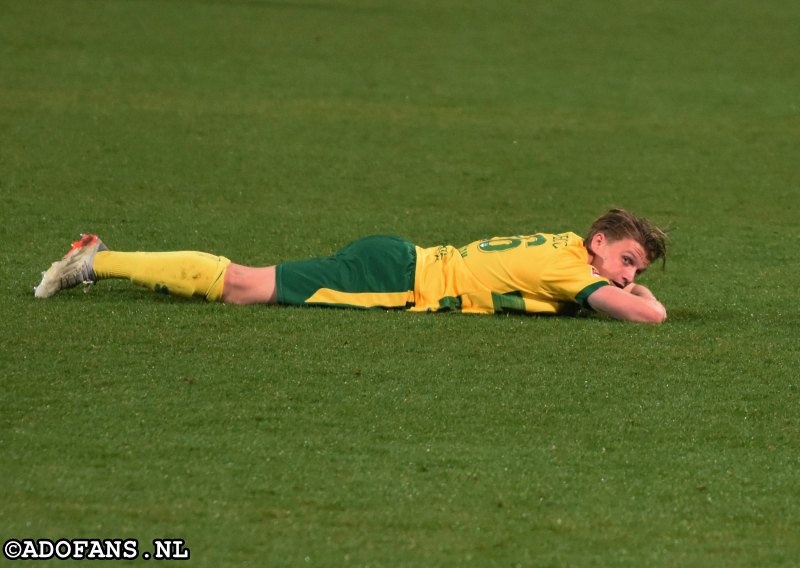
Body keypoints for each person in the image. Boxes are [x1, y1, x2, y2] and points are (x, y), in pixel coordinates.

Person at [34, 208, 668, 323]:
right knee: (242, 286)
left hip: (400, 256)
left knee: (245, 286)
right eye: (626, 260)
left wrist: (626, 285)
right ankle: (100, 260)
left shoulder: (563, 244)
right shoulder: (572, 271)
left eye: (636, 271)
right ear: (597, 241)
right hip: (395, 277)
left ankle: (102, 260)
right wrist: (644, 301)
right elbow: (647, 318)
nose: (627, 278)